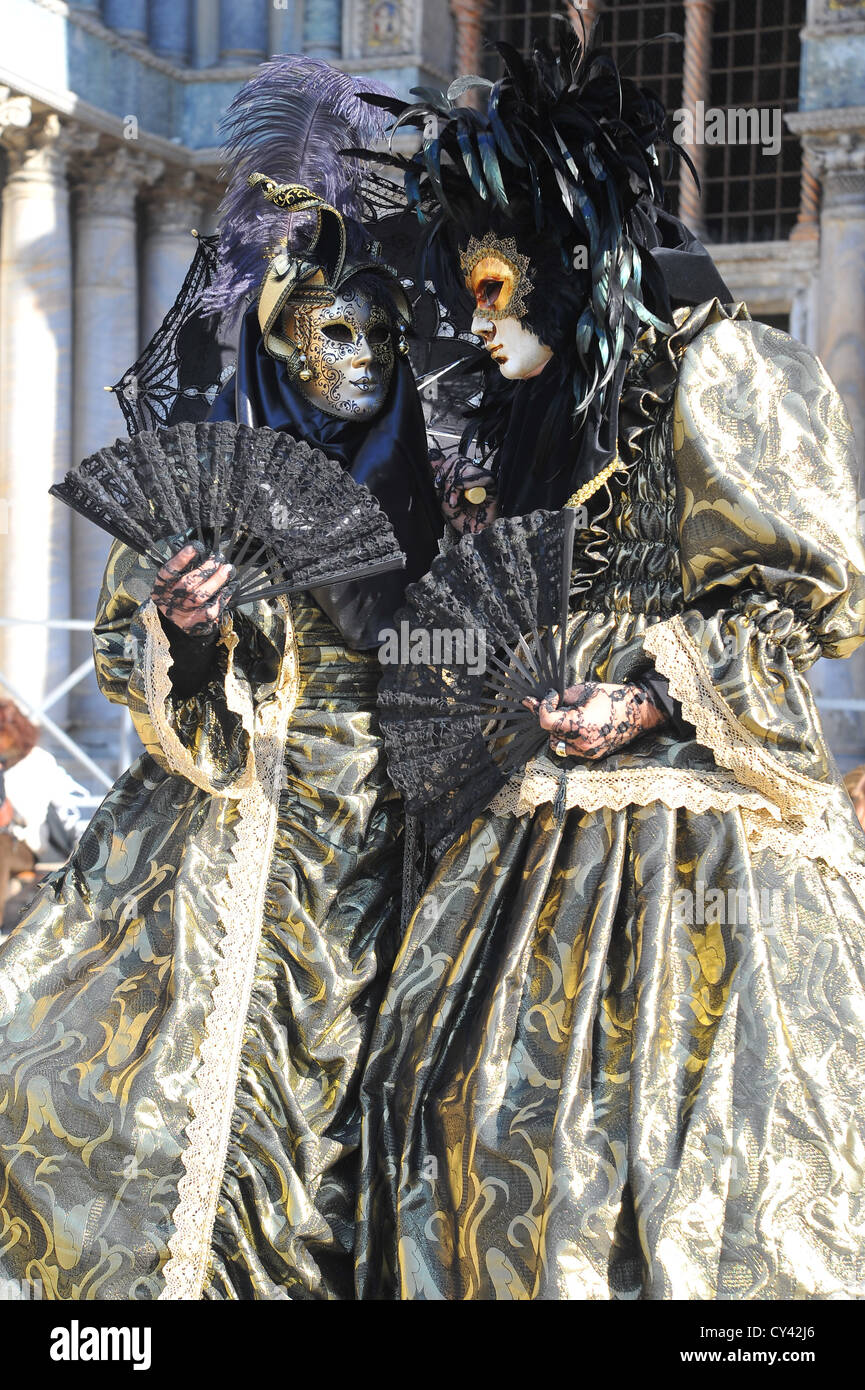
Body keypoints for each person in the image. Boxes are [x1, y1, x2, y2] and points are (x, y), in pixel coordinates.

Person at [354, 26, 865, 1299]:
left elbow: (800, 591)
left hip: (696, 817)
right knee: (464, 1107)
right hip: (524, 806)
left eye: (493, 285)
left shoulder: (719, 361)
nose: (479, 326)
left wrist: (647, 691)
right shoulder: (539, 416)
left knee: (665, 1140)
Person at [0, 58, 440, 1301]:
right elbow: (134, 659)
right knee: (119, 1092)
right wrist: (186, 628)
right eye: (321, 334)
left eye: (372, 334)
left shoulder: (453, 480)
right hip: (226, 818)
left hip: (403, 837)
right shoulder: (215, 468)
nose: (350, 361)